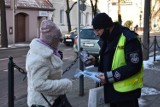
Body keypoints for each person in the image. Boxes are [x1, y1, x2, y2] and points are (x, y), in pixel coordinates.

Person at [89, 13, 143, 107]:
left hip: (126, 95)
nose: (97, 34)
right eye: (95, 31)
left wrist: (109, 76)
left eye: (98, 30)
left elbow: (134, 66)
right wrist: (96, 60)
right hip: (112, 92)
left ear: (107, 27)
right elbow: (111, 59)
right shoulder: (106, 38)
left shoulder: (129, 38)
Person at [26, 19, 72, 107]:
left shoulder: (47, 52)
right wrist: (65, 85)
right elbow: (39, 84)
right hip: (43, 103)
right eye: (59, 39)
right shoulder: (40, 57)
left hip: (52, 99)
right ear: (52, 39)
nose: (60, 41)